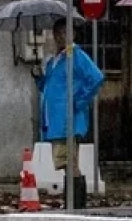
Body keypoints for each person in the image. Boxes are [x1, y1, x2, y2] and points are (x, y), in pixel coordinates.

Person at [39, 20, 105, 161]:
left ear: (73, 34)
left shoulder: (76, 55)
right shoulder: (54, 60)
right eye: (58, 33)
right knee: (64, 163)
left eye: (65, 32)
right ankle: (72, 183)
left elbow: (96, 78)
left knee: (70, 163)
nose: (61, 37)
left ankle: (76, 184)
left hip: (67, 120)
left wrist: (79, 101)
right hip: (55, 120)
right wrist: (37, 76)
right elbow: (48, 87)